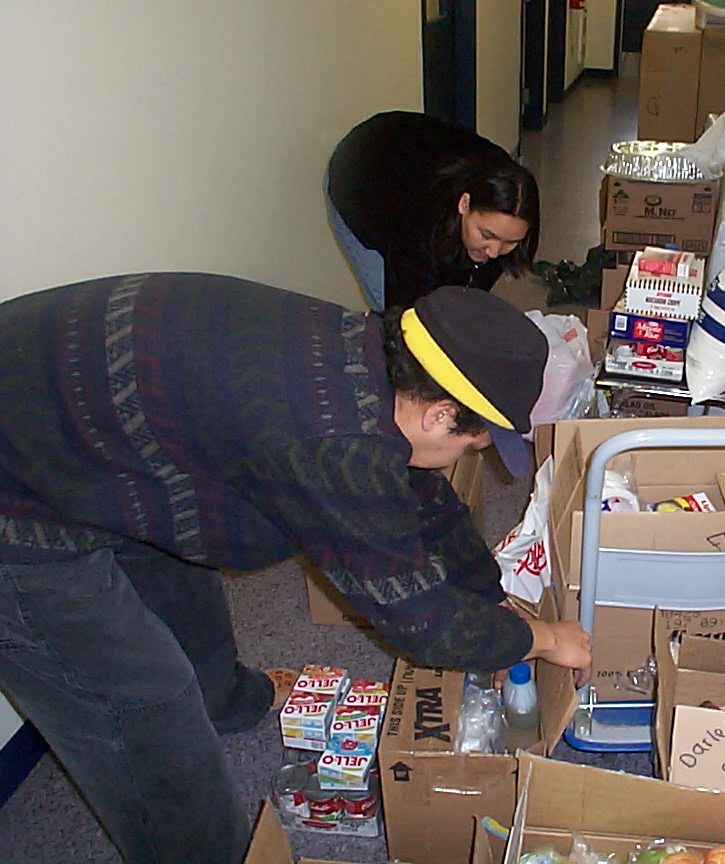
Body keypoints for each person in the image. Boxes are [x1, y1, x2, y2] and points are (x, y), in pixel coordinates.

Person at [0, 273, 592, 864]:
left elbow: (425, 500)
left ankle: (228, 701)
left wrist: (489, 597)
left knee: (176, 567)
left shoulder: (373, 359)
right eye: (474, 443)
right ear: (440, 415)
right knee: (141, 702)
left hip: (76, 422)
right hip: (16, 502)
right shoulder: (337, 440)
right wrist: (542, 638)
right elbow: (424, 624)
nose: (468, 455)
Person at [326, 110, 540, 311]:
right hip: (359, 175)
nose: (494, 252)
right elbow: (404, 314)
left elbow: (472, 291)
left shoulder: (512, 205)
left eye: (509, 242)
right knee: (399, 319)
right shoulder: (419, 226)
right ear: (464, 204)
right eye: (487, 235)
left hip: (420, 160)